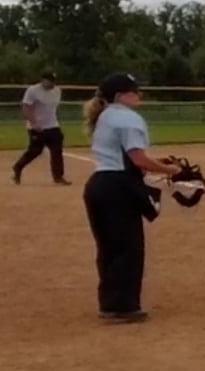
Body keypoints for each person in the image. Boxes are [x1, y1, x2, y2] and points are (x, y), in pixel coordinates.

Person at [82, 73, 187, 323]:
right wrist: (170, 170)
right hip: (118, 188)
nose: (138, 94)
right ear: (120, 95)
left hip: (100, 185)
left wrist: (156, 162)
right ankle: (122, 307)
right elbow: (138, 160)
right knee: (128, 248)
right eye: (133, 90)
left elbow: (126, 157)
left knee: (109, 248)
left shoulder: (105, 116)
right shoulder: (128, 118)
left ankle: (111, 303)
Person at [11, 72, 69, 186]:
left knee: (57, 150)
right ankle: (18, 167)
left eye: (54, 81)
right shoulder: (33, 91)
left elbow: (54, 108)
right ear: (43, 80)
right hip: (37, 127)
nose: (52, 84)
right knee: (35, 151)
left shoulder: (57, 91)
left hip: (53, 125)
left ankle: (58, 176)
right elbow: (26, 107)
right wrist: (33, 123)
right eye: (50, 81)